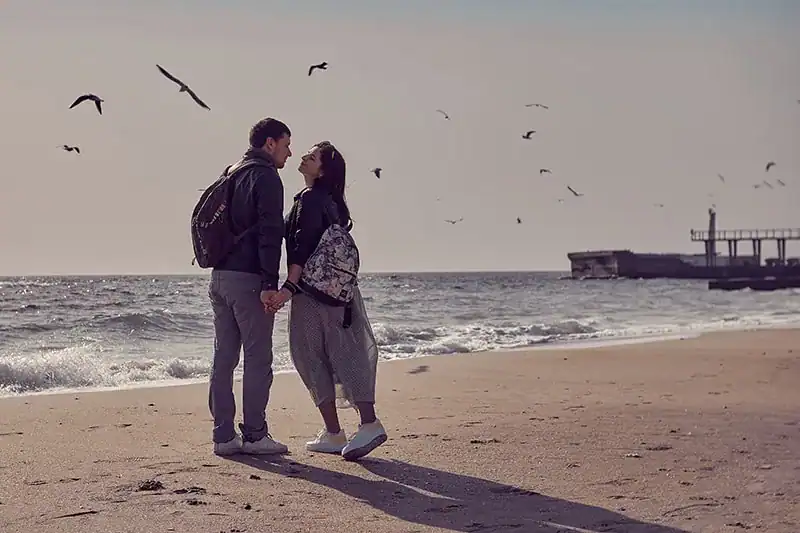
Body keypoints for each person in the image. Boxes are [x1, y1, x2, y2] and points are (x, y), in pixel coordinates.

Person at [268, 141, 388, 461]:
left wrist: (288, 287)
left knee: (312, 357)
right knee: (344, 351)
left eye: (312, 156)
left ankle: (364, 424)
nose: (304, 157)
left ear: (323, 170)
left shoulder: (310, 199)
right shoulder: (332, 203)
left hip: (312, 293)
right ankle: (338, 432)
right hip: (339, 292)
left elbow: (302, 246)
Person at [208, 117, 292, 456]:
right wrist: (269, 283)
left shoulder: (230, 172)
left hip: (219, 278)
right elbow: (271, 233)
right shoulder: (266, 176)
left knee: (224, 357)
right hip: (248, 279)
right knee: (257, 358)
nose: (289, 153)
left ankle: (223, 436)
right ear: (270, 143)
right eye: (286, 145)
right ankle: (256, 435)